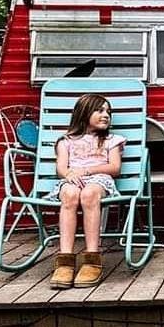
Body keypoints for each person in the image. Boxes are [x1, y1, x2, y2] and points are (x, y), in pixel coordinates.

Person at [49, 93, 125, 288]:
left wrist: (87, 170)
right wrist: (69, 175)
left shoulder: (112, 140)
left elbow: (115, 168)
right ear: (83, 113)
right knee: (69, 194)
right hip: (73, 179)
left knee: (89, 194)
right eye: (100, 110)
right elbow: (61, 168)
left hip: (99, 180)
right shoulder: (65, 141)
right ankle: (65, 260)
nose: (106, 114)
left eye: (108, 111)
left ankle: (92, 258)